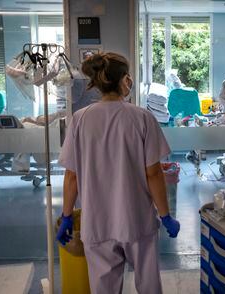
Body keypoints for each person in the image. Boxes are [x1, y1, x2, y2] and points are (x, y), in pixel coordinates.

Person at [56, 52, 180, 294]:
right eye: (129, 77)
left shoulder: (80, 120)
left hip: (98, 224)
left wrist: (67, 215)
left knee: (103, 289)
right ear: (125, 80)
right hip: (136, 222)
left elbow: (72, 176)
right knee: (149, 286)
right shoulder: (142, 118)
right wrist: (165, 216)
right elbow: (153, 173)